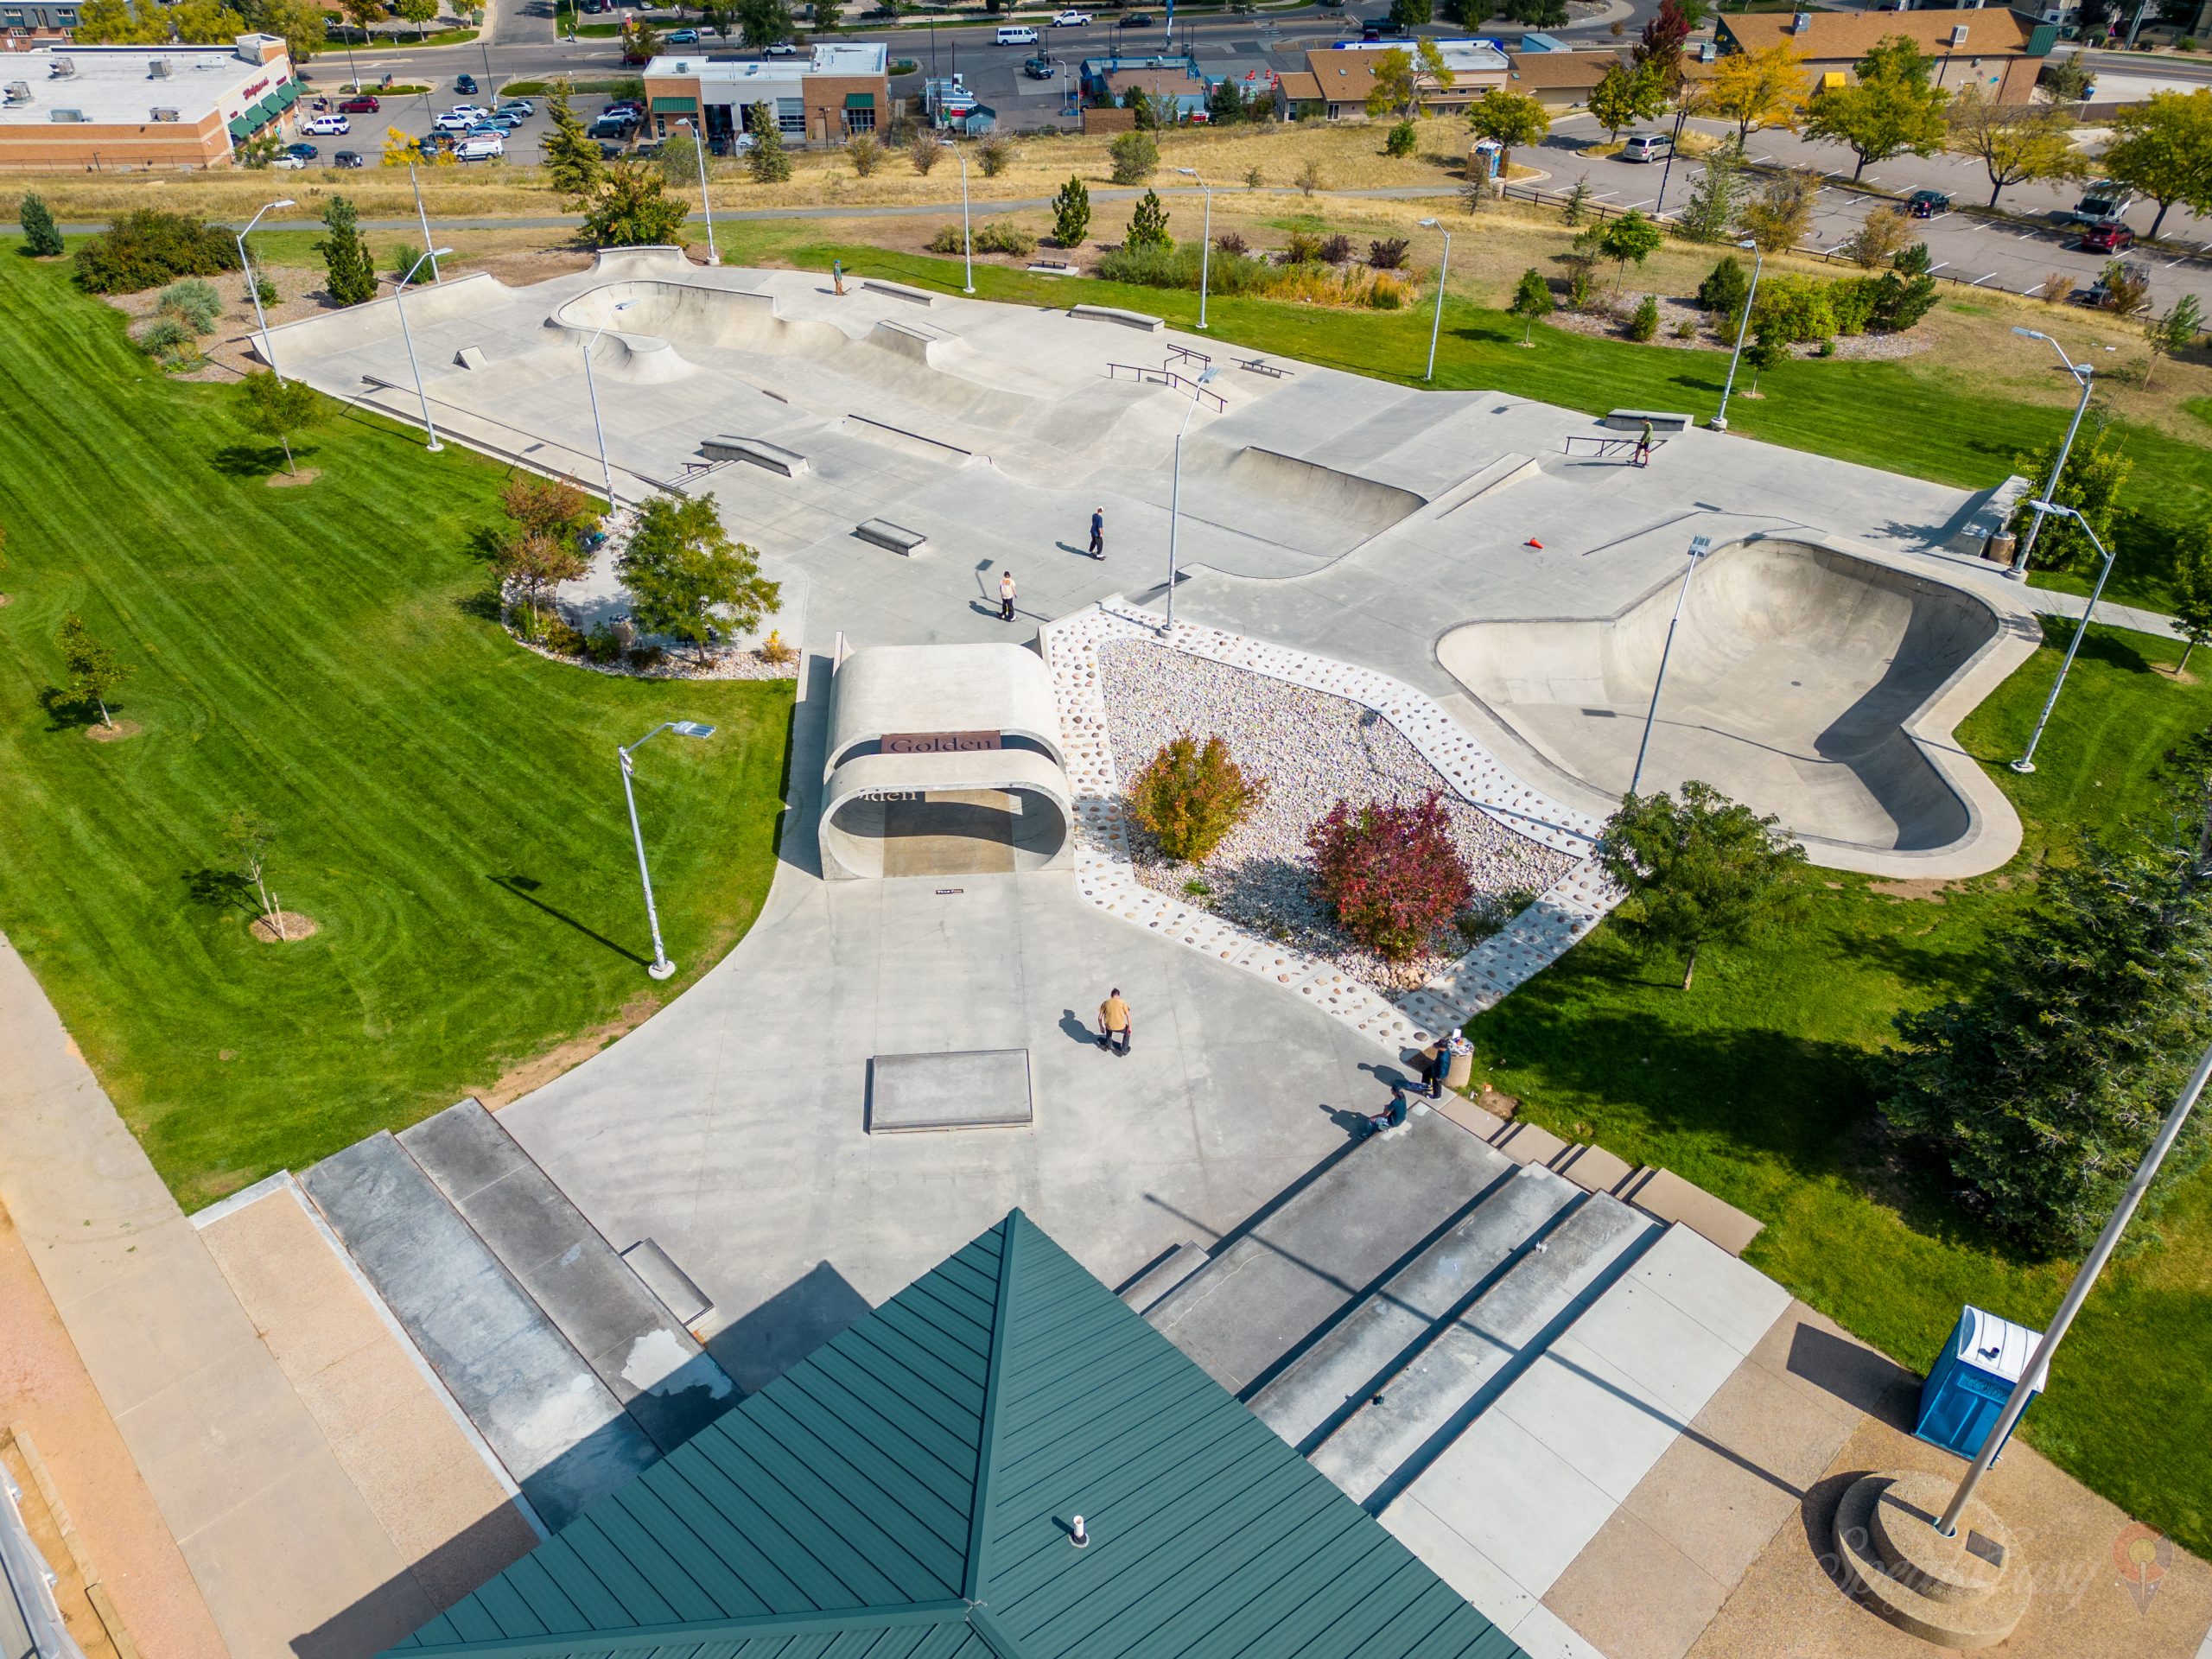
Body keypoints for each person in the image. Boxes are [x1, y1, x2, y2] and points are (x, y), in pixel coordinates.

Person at [1097, 988, 1132, 1056]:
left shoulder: (1105, 1003)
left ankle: (1108, 1043)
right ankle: (1124, 1049)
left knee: (1108, 1026)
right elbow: (1128, 1015)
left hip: (1109, 1026)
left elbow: (1099, 1017)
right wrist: (1130, 1027)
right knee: (1127, 1031)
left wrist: (1101, 1027)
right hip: (1121, 1027)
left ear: (1111, 995)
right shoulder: (1122, 1002)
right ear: (1118, 995)